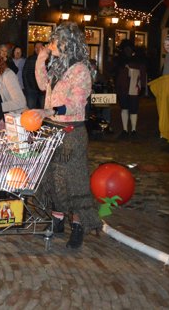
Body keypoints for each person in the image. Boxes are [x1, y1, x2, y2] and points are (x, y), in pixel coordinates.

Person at [33, 22, 101, 249]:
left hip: (71, 131)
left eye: (54, 40)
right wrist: (40, 60)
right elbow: (43, 85)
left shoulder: (80, 70)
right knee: (53, 179)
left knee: (74, 181)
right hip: (53, 128)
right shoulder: (58, 66)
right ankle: (57, 221)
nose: (50, 44)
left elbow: (75, 104)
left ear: (66, 43)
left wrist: (49, 111)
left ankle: (79, 227)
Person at [113, 39, 147, 138]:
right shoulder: (119, 61)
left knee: (133, 109)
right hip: (123, 88)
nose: (128, 50)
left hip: (134, 88)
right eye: (126, 49)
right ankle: (125, 130)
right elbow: (116, 75)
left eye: (129, 48)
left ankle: (133, 130)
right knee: (124, 108)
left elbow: (143, 74)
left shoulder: (139, 60)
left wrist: (143, 87)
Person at [23, 42, 45, 109]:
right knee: (31, 110)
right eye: (36, 48)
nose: (38, 49)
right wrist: (28, 87)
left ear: (43, 48)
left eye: (40, 47)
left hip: (43, 91)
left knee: (43, 110)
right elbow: (24, 74)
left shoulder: (47, 59)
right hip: (31, 90)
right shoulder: (30, 59)